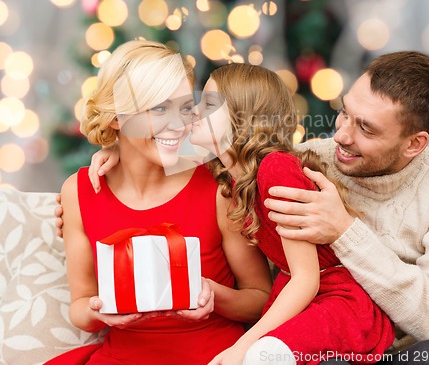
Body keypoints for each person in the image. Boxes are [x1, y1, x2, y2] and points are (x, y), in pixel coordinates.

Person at [86, 63, 395, 365]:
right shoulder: (227, 172)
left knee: (259, 356)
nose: (192, 112)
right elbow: (153, 154)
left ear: (240, 117)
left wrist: (242, 345)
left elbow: (306, 279)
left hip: (336, 300)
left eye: (208, 104)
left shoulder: (275, 168)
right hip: (302, 299)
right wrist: (114, 150)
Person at [47, 40, 272, 365]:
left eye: (184, 107)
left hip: (213, 356)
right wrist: (101, 312)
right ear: (115, 117)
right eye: (158, 108)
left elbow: (260, 298)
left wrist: (211, 293)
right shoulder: (79, 192)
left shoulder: (217, 185)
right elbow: (80, 307)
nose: (178, 124)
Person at [264, 51, 429, 364]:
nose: (341, 135)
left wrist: (345, 232)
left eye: (367, 129)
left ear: (413, 144)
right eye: (344, 112)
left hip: (399, 355)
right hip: (315, 343)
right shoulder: (305, 161)